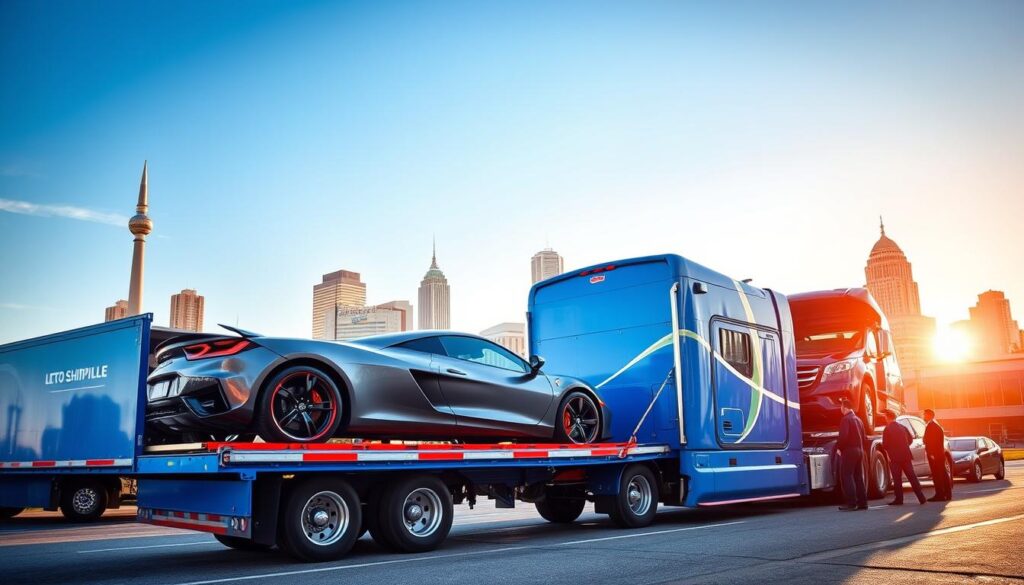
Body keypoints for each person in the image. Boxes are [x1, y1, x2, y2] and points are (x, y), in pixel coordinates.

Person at [881, 410, 926, 505]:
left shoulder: (887, 429)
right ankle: (921, 497)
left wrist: (891, 450)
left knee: (897, 479)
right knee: (912, 477)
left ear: (888, 417)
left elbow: (885, 445)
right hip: (906, 456)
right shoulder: (903, 427)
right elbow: (910, 440)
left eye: (885, 417)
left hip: (895, 458)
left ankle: (899, 499)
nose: (885, 419)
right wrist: (904, 447)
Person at [837, 397, 868, 511]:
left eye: (841, 406)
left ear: (844, 407)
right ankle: (863, 503)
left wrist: (839, 448)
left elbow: (843, 437)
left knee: (847, 476)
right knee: (858, 477)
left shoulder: (846, 419)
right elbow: (864, 437)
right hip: (860, 451)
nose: (841, 408)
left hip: (849, 451)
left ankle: (851, 503)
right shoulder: (859, 420)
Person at [923, 408, 952, 501]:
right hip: (939, 454)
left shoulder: (932, 426)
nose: (923, 416)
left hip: (935, 455)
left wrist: (931, 454)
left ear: (929, 415)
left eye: (924, 414)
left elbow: (932, 441)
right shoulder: (936, 425)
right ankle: (947, 494)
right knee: (943, 474)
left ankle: (940, 495)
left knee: (937, 475)